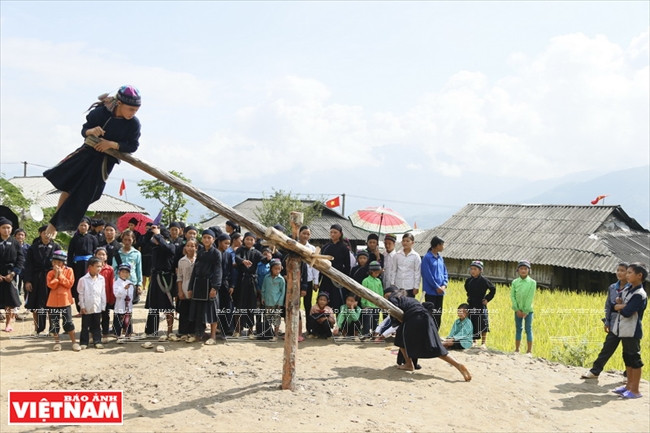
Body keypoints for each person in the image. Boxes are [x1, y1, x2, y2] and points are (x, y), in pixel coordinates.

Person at [43, 86, 142, 239]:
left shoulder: (134, 124)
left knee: (86, 195)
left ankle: (60, 222)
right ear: (119, 104)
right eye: (130, 109)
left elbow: (132, 145)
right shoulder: (100, 113)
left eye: (135, 110)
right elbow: (84, 131)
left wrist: (111, 144)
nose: (133, 113)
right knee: (69, 186)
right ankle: (55, 222)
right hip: (87, 153)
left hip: (104, 162)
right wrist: (92, 131)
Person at [388, 292, 471, 381]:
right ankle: (457, 364)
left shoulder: (393, 299)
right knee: (435, 347)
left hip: (415, 318)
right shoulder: (412, 300)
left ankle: (409, 364)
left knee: (400, 339)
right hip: (427, 318)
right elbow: (428, 305)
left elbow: (393, 312)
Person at [581, 262, 629, 379]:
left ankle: (628, 375)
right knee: (607, 348)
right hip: (614, 323)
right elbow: (608, 306)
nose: (619, 273)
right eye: (618, 270)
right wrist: (607, 322)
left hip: (628, 323)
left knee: (628, 351)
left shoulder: (632, 288)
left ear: (629, 273)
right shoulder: (612, 288)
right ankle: (595, 371)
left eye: (622, 270)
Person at [611, 263, 647, 399]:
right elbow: (616, 304)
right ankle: (628, 386)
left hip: (633, 330)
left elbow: (626, 312)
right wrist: (622, 305)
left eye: (630, 273)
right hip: (624, 329)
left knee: (634, 359)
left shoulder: (640, 294)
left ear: (639, 276)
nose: (627, 275)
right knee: (627, 357)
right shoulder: (627, 290)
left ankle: (635, 390)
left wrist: (621, 306)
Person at [23, 226, 61, 335]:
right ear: (40, 233)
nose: (47, 235)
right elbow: (28, 265)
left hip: (52, 278)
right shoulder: (33, 248)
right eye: (44, 233)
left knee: (51, 305)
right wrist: (28, 281)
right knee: (36, 305)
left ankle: (53, 329)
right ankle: (38, 329)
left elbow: (61, 264)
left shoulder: (56, 247)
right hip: (36, 279)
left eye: (49, 233)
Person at [187, 229, 222, 345]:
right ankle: (198, 334)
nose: (206, 240)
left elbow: (218, 271)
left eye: (209, 238)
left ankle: (212, 336)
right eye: (205, 237)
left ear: (213, 239)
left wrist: (215, 287)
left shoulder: (216, 253)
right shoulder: (201, 252)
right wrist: (190, 287)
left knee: (212, 310)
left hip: (210, 285)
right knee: (198, 311)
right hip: (198, 285)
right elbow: (195, 270)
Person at [144, 225, 176, 338]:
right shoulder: (154, 247)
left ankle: (170, 331)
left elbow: (167, 248)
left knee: (168, 305)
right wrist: (150, 232)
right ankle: (151, 331)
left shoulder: (171, 246)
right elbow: (143, 243)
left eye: (156, 236)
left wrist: (158, 234)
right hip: (155, 276)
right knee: (154, 305)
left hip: (166, 278)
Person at [46, 250, 80, 352]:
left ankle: (74, 342)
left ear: (63, 263)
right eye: (55, 262)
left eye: (59, 262)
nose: (57, 264)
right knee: (54, 322)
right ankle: (57, 342)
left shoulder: (69, 271)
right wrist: (56, 275)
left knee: (68, 322)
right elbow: (51, 285)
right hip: (53, 301)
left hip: (65, 301)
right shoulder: (50, 273)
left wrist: (60, 275)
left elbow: (69, 284)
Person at [67, 217, 99, 314]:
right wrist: (70, 266)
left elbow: (96, 251)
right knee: (78, 285)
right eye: (81, 225)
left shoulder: (93, 238)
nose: (83, 227)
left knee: (89, 284)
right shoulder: (74, 239)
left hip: (90, 265)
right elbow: (70, 253)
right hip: (77, 265)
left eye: (85, 225)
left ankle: (90, 307)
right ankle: (80, 308)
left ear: (88, 226)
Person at [233, 232, 262, 337]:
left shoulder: (257, 252)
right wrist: (243, 261)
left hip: (252, 282)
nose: (249, 241)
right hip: (241, 281)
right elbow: (236, 257)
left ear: (254, 241)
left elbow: (263, 259)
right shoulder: (240, 250)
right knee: (239, 305)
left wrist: (268, 258)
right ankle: (238, 329)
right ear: (244, 240)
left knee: (251, 305)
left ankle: (250, 330)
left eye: (251, 239)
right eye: (247, 239)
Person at [0, 217, 25, 332]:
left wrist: (14, 273)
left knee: (10, 300)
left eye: (8, 228)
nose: (6, 230)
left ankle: (8, 324)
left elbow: (20, 259)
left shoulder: (15, 243)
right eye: (3, 228)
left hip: (10, 274)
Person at [319, 224, 351, 312]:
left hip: (338, 280)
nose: (333, 234)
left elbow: (347, 266)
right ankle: (326, 324)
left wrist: (344, 280)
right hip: (326, 279)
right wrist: (318, 280)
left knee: (338, 304)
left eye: (335, 232)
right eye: (331, 232)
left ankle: (339, 324)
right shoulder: (325, 247)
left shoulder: (344, 248)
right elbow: (320, 265)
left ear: (340, 234)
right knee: (324, 303)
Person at [464, 260, 496, 347]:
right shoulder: (468, 281)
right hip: (471, 304)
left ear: (480, 270)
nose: (473, 271)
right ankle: (473, 341)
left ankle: (483, 342)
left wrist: (487, 299)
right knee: (472, 322)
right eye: (471, 269)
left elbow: (493, 289)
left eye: (475, 269)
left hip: (481, 305)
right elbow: (467, 289)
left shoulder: (484, 280)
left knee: (483, 323)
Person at [77, 257, 106, 349]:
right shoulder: (83, 280)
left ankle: (97, 341)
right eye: (97, 266)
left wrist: (103, 305)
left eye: (100, 266)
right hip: (87, 306)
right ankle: (84, 342)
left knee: (97, 325)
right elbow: (80, 294)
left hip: (97, 306)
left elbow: (103, 293)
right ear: (90, 267)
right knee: (85, 325)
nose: (99, 268)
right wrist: (82, 306)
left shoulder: (101, 279)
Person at [421, 236, 448, 330]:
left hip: (440, 291)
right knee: (430, 313)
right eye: (442, 245)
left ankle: (436, 333)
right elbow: (427, 275)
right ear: (437, 245)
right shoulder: (427, 258)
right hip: (430, 291)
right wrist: (436, 287)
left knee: (438, 313)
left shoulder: (440, 258)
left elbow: (445, 272)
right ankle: (429, 333)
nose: (443, 247)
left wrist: (444, 285)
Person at [511, 260, 536, 354]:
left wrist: (525, 311)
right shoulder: (515, 282)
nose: (523, 270)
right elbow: (512, 296)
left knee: (528, 329)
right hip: (517, 310)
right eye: (521, 268)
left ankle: (529, 351)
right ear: (518, 270)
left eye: (525, 269)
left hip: (528, 310)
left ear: (529, 270)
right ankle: (517, 349)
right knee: (518, 329)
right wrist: (517, 309)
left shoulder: (532, 283)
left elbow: (530, 297)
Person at [113, 230, 142, 305]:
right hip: (120, 283)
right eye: (125, 239)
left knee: (129, 306)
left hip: (132, 282)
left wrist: (139, 284)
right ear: (122, 240)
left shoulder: (137, 254)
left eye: (129, 240)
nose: (127, 242)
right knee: (120, 305)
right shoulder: (117, 254)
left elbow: (139, 270)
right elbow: (114, 270)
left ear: (133, 240)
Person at [176, 239, 197, 340]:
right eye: (188, 246)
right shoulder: (181, 261)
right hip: (184, 288)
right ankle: (183, 331)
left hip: (196, 290)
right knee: (184, 311)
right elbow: (179, 277)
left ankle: (193, 331)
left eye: (192, 246)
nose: (190, 248)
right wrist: (180, 291)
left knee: (195, 311)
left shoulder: (199, 260)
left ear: (196, 248)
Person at [260, 258, 286, 341]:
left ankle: (275, 335)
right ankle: (268, 333)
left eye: (279, 269)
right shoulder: (266, 278)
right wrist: (263, 297)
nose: (277, 271)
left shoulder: (281, 279)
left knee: (276, 319)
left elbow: (283, 292)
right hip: (268, 302)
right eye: (275, 269)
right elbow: (263, 288)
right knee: (267, 318)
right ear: (271, 268)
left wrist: (280, 303)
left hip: (276, 303)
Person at [298, 226, 319, 321]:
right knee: (295, 304)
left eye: (308, 234)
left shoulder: (312, 248)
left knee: (307, 304)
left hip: (309, 280)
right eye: (304, 233)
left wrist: (316, 282)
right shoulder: (294, 245)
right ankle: (295, 327)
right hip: (295, 278)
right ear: (299, 233)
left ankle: (309, 328)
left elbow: (315, 267)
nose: (306, 235)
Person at [216, 233, 235, 338]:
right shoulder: (214, 253)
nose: (227, 245)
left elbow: (231, 271)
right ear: (219, 242)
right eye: (225, 243)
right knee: (216, 307)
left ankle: (228, 329)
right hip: (215, 284)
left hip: (226, 284)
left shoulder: (228, 255)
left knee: (227, 306)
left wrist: (232, 285)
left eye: (229, 243)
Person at [94, 247, 115, 338]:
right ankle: (95, 334)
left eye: (103, 254)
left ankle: (105, 334)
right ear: (95, 256)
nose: (101, 256)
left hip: (105, 297)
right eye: (99, 254)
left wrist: (111, 298)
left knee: (106, 316)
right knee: (95, 317)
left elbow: (111, 285)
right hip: (94, 297)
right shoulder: (91, 268)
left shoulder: (110, 269)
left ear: (106, 257)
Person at [394, 233, 421, 298]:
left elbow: (417, 272)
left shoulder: (416, 256)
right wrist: (392, 284)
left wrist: (416, 287)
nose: (405, 243)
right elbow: (394, 270)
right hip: (398, 286)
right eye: (403, 241)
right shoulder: (397, 255)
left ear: (412, 242)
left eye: (407, 241)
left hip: (410, 287)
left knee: (409, 306)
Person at [361, 261, 384, 337]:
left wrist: (381, 302)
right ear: (371, 271)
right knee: (367, 321)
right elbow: (363, 293)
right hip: (368, 305)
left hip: (376, 305)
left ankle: (374, 334)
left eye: (378, 273)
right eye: (376, 272)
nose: (377, 274)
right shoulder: (365, 281)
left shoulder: (379, 281)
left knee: (375, 321)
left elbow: (381, 292)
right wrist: (363, 304)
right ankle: (365, 334)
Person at [113, 263, 135, 339]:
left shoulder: (130, 283)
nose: (124, 274)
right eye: (122, 272)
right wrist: (124, 289)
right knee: (119, 320)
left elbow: (131, 296)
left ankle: (128, 333)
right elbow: (116, 295)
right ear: (119, 272)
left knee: (127, 319)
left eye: (126, 272)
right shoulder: (116, 283)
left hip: (128, 306)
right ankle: (118, 334)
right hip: (120, 305)